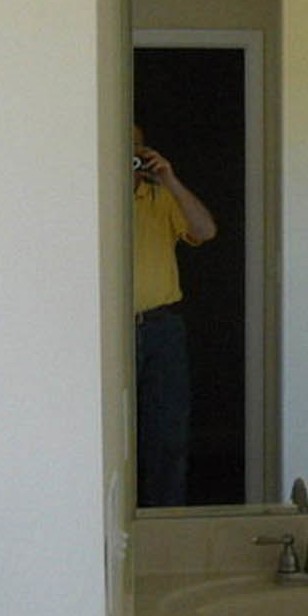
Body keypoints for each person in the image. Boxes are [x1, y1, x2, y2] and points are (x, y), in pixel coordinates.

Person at [133, 125, 217, 507]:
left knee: (167, 434)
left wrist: (170, 179)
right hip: (104, 332)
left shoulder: (160, 196)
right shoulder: (93, 197)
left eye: (136, 148)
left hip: (159, 327)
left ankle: (165, 521)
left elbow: (205, 230)